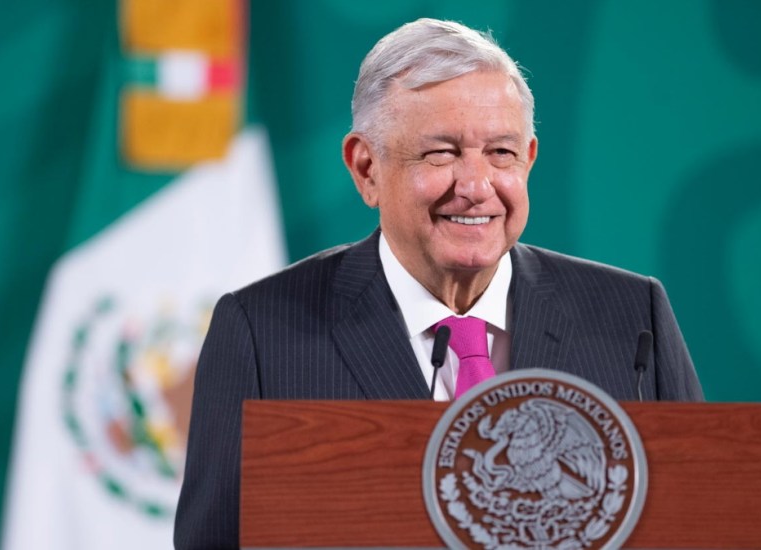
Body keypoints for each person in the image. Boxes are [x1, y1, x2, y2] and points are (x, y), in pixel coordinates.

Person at [174, 17, 703, 549]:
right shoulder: (261, 333)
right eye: (441, 153)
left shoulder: (634, 319)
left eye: (500, 153)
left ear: (528, 160)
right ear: (366, 168)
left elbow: (704, 517)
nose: (475, 186)